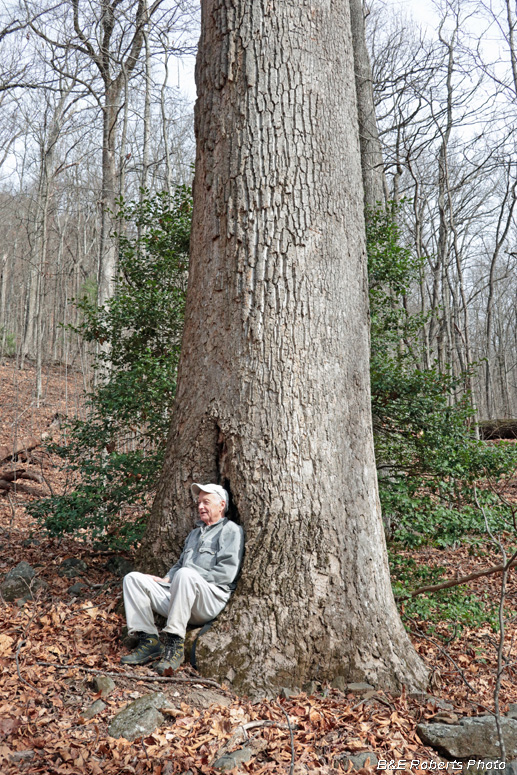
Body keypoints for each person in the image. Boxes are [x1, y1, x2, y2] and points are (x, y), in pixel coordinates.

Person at [121, 483, 244, 674]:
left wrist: (186, 575)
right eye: (199, 502)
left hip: (209, 599)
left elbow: (226, 573)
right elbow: (180, 565)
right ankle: (149, 641)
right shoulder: (194, 534)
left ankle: (175, 646)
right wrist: (166, 579)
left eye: (206, 502)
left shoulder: (231, 530)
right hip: (181, 595)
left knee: (185, 574)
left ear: (221, 505)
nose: (200, 506)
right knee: (133, 579)